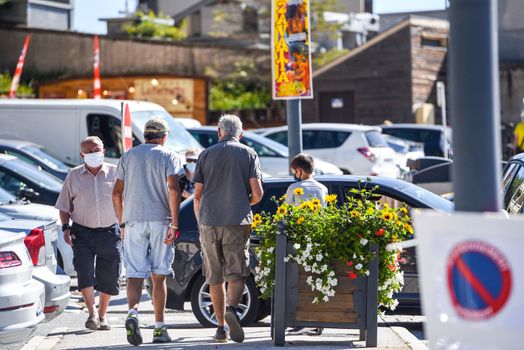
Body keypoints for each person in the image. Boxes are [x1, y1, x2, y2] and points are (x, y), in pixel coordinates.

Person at [193, 114, 263, 343]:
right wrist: (244, 203)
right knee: (237, 271)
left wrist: (201, 219)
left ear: (219, 132)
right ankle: (233, 308)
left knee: (214, 275)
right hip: (237, 221)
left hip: (209, 222)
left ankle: (221, 327)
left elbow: (197, 195)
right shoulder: (248, 153)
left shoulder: (205, 154)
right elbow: (258, 194)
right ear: (240, 134)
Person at [112, 118, 182, 345]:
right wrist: (175, 223)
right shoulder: (168, 155)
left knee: (134, 274)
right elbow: (173, 188)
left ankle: (132, 313)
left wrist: (122, 222)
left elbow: (116, 193)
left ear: (145, 135)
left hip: (132, 220)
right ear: (164, 136)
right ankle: (159, 328)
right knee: (158, 275)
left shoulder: (128, 156)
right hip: (161, 219)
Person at [55, 136, 121, 331]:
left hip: (110, 231)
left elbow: (124, 200)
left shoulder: (115, 172)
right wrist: (66, 227)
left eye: (97, 149)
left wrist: (125, 226)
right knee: (84, 273)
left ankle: (103, 314)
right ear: (82, 154)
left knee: (109, 274)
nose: (94, 154)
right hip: (82, 232)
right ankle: (92, 313)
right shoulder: (73, 175)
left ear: (104, 150)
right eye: (90, 151)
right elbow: (64, 206)